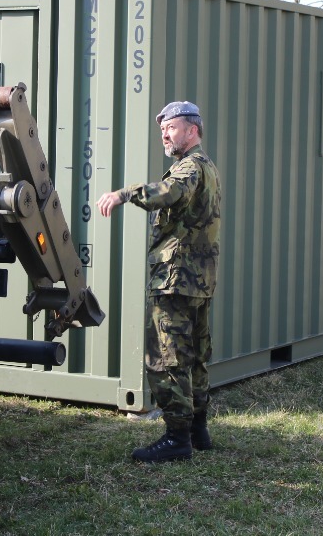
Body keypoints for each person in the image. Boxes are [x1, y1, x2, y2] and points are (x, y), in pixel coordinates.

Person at [97, 100, 222, 463]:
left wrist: (124, 194)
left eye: (170, 127)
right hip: (198, 279)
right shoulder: (208, 167)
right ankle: (198, 430)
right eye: (162, 129)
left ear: (192, 130)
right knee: (196, 354)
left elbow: (168, 194)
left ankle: (177, 437)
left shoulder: (189, 169)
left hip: (176, 279)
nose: (164, 135)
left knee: (167, 357)